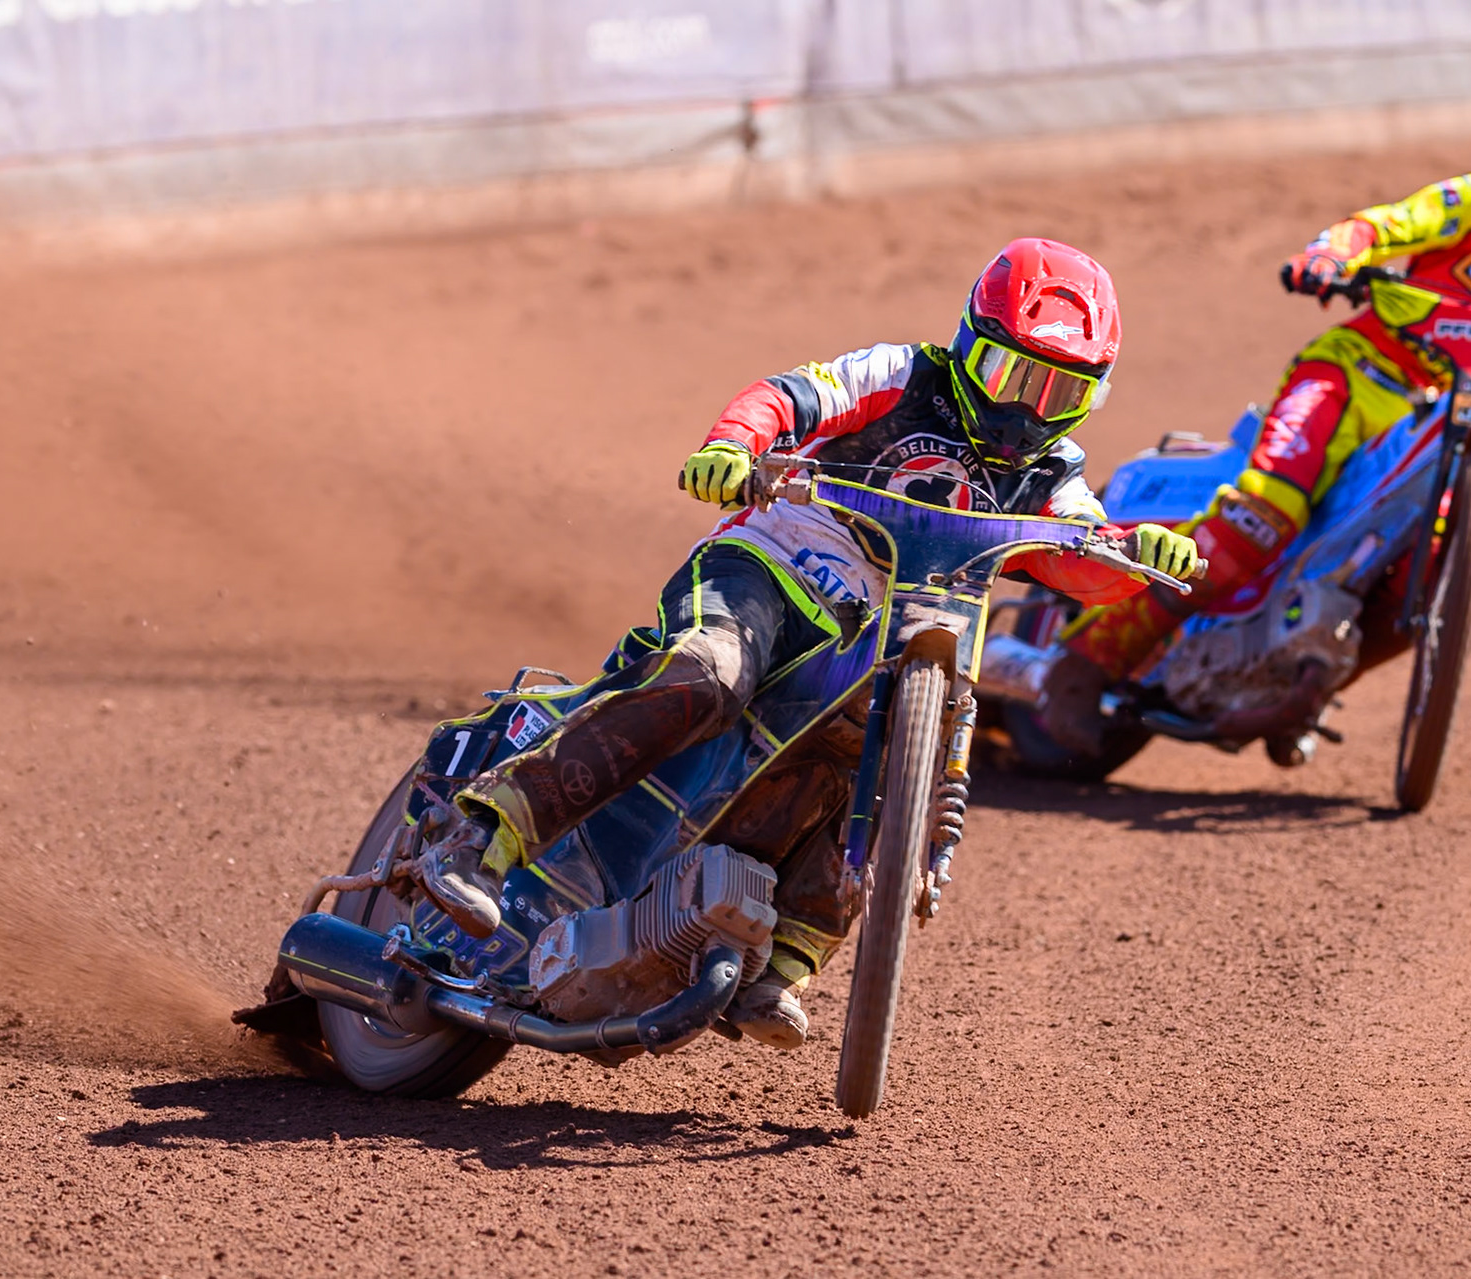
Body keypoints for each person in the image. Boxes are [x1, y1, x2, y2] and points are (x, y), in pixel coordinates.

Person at [414, 237, 1198, 1049]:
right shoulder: (902, 375)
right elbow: (787, 398)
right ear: (970, 345)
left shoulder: (1053, 471)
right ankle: (485, 833)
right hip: (774, 564)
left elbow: (1083, 550)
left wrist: (1141, 556)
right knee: (709, 673)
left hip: (884, 636)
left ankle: (784, 956)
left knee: (882, 758)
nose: (1028, 409)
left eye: (1060, 389)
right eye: (1012, 376)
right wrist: (733, 445)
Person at [1041, 81, 1471, 756]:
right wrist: (1335, 252)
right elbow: (1390, 224)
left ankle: (1293, 684)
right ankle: (1082, 664)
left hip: (1457, 425)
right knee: (1260, 519)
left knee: (1420, 588)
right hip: (1354, 375)